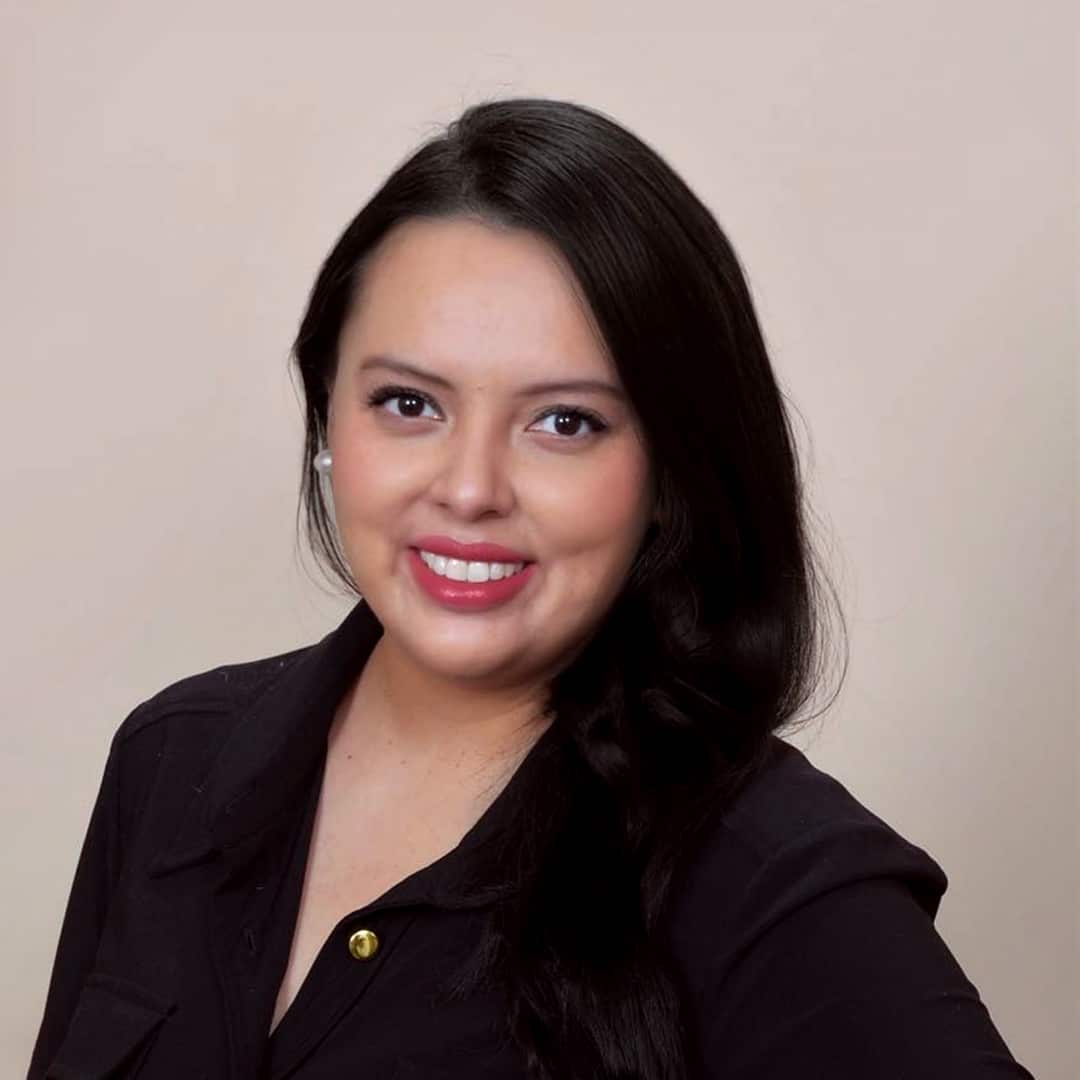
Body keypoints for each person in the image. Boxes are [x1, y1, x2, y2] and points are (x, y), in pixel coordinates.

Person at [26, 97, 1035, 1080]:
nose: (470, 489)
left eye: (564, 423)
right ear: (327, 415)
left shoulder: (771, 876)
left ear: (670, 473)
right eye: (408, 403)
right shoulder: (171, 760)